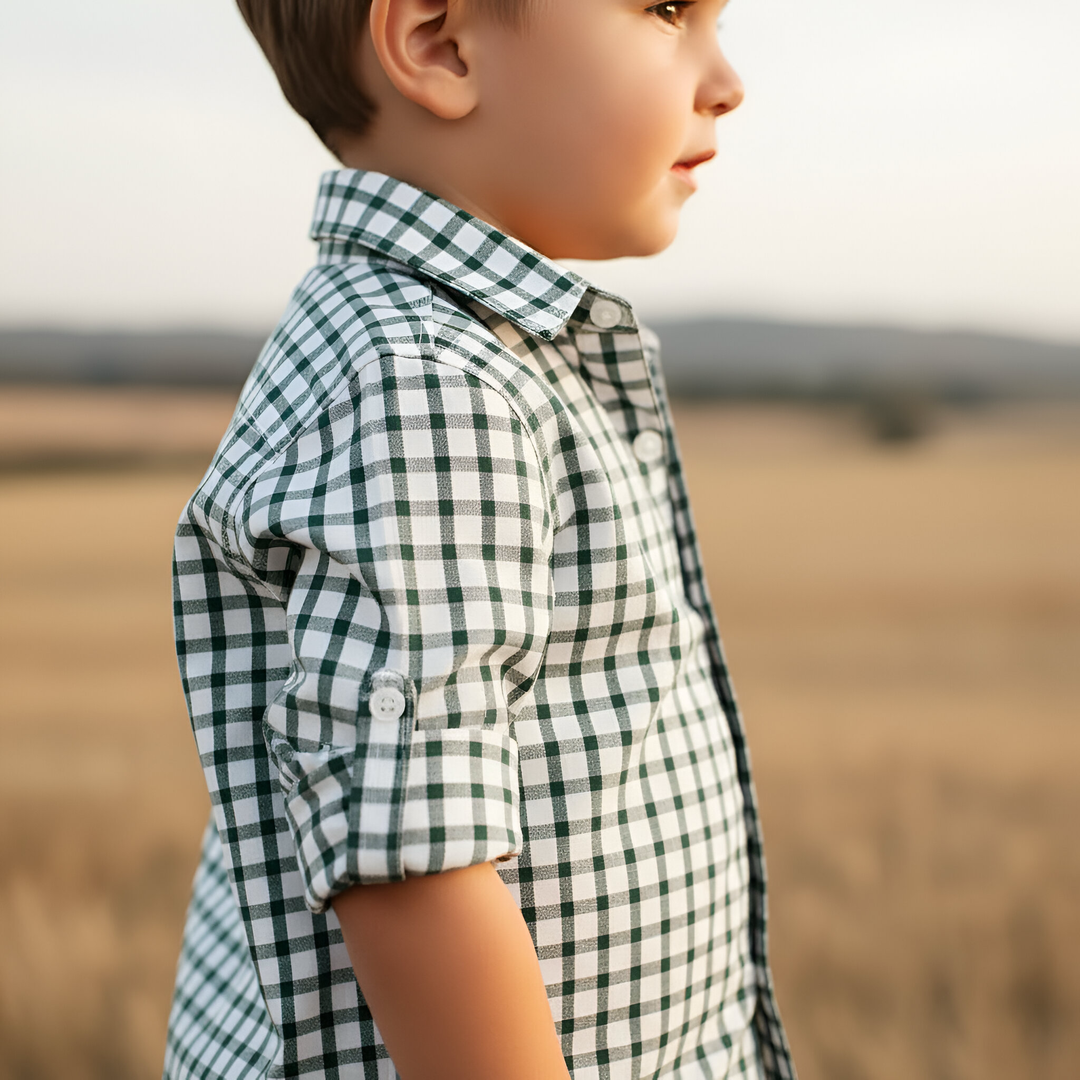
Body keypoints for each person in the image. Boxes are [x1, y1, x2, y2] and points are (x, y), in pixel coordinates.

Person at [166, 2, 796, 1078]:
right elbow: (417, 860)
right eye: (665, 11)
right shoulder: (429, 382)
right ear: (439, 44)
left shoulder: (461, 352)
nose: (727, 78)